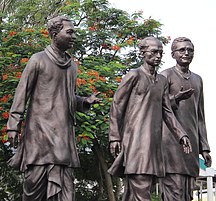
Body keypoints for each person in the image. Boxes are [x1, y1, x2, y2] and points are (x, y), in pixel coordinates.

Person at [6, 16, 100, 201]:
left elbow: (67, 98)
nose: (74, 36)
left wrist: (84, 102)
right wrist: (13, 125)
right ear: (55, 34)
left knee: (66, 189)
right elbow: (21, 94)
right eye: (70, 32)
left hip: (63, 136)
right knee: (34, 188)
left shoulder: (72, 66)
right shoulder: (38, 60)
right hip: (39, 134)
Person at [107, 36, 192, 201]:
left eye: (160, 52)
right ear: (143, 53)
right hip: (136, 144)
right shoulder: (134, 76)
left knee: (135, 193)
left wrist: (181, 134)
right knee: (141, 189)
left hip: (153, 146)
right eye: (154, 52)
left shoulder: (162, 81)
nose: (158, 56)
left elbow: (167, 111)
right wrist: (114, 137)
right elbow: (117, 105)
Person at [159, 37, 211, 201]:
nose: (186, 53)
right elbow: (158, 107)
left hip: (192, 143)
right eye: (182, 50)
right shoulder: (165, 76)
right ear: (173, 54)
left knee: (188, 191)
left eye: (190, 50)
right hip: (171, 141)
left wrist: (205, 147)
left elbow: (200, 116)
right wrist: (176, 98)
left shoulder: (197, 79)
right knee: (174, 190)